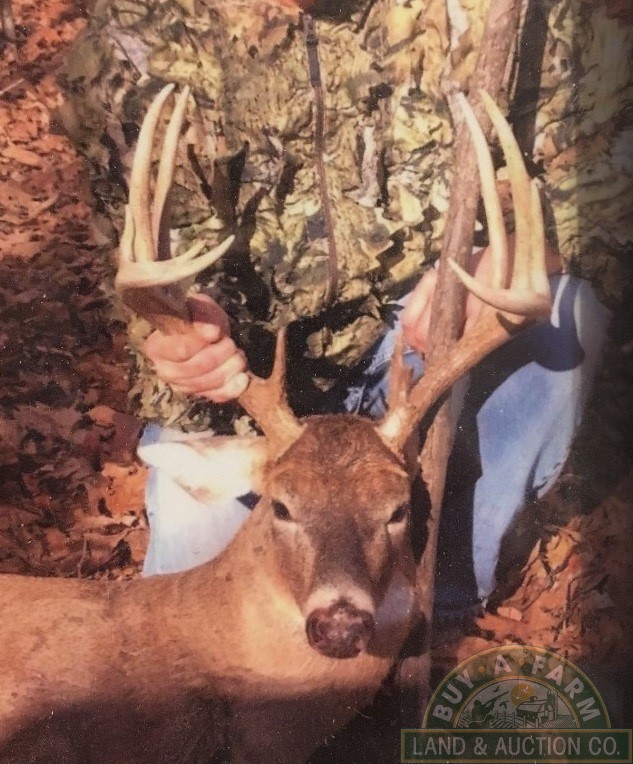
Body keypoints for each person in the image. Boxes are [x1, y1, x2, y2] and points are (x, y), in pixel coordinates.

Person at [58, 0, 615, 620]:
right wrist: (179, 338)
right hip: (251, 387)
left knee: (561, 319)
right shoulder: (132, 39)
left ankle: (434, 609)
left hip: (417, 345)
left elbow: (607, 187)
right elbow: (134, 255)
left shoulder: (504, 15)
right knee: (194, 625)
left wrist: (504, 259)